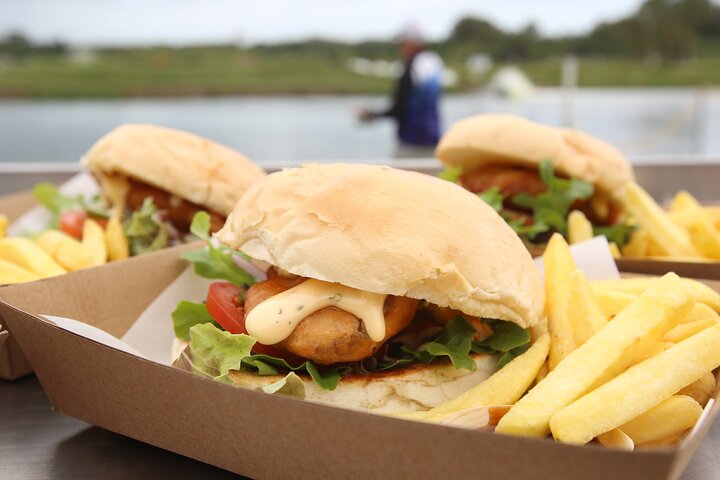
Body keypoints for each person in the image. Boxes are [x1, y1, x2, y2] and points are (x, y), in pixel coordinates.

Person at [357, 24, 444, 158]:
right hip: (434, 141)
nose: (400, 48)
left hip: (410, 143)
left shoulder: (411, 66)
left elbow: (399, 108)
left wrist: (372, 114)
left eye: (402, 44)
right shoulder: (434, 61)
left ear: (411, 44)